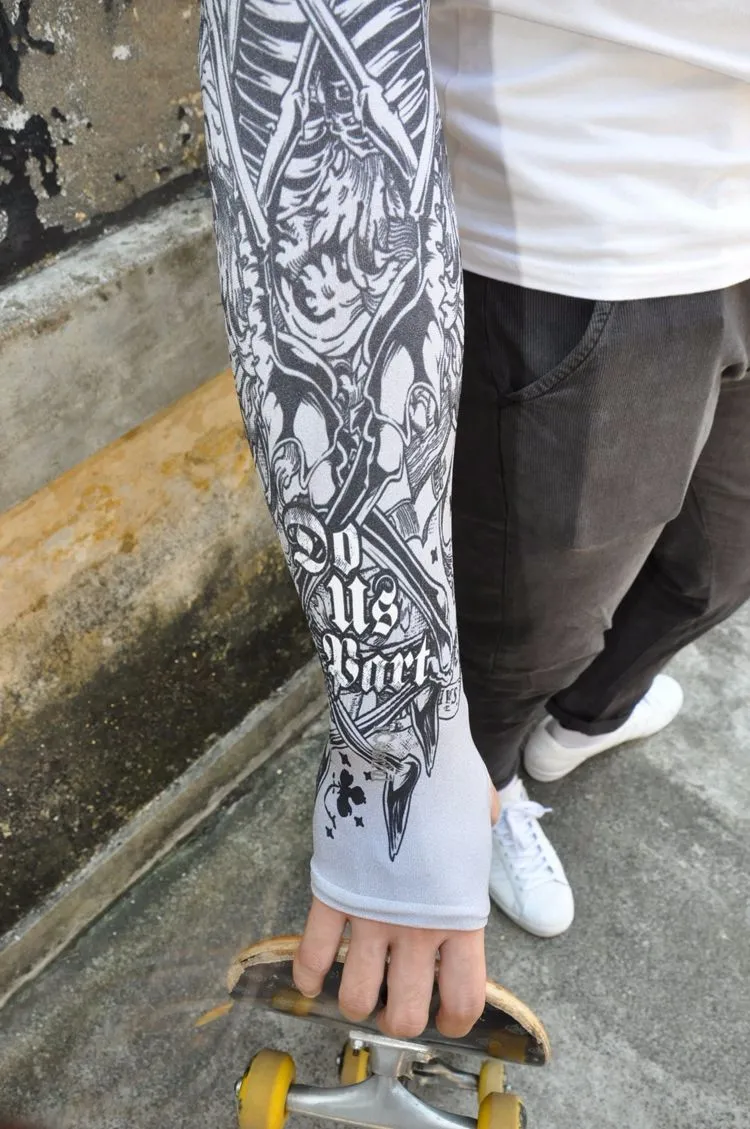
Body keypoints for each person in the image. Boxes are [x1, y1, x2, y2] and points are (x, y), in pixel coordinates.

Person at [199, 0, 750, 1038]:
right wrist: (395, 743)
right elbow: (297, 42)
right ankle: (487, 784)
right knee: (521, 637)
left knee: (714, 567)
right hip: (580, 236)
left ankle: (585, 720)